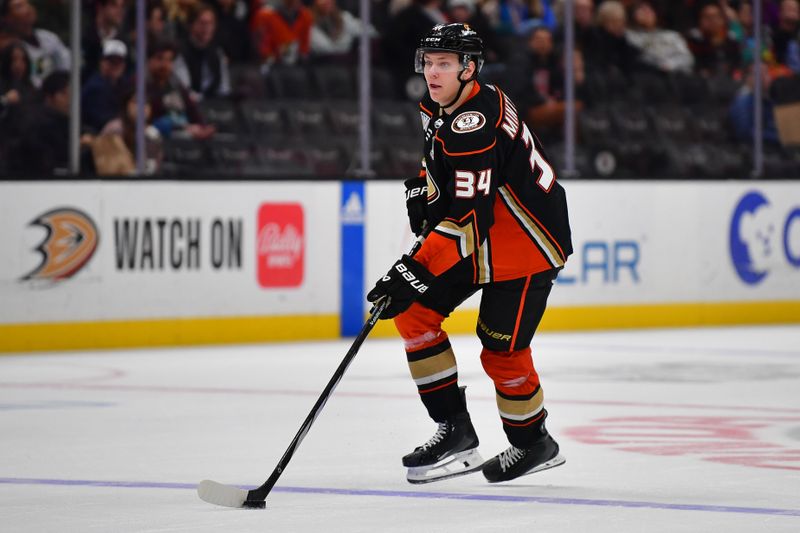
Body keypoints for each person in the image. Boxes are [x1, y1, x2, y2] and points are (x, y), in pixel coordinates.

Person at [366, 23, 572, 484]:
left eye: (444, 64)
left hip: (526, 243)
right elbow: (444, 166)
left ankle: (533, 442)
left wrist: (412, 270)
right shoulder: (443, 105)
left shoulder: (475, 123)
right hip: (483, 239)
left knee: (501, 350)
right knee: (414, 314)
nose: (432, 72)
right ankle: (455, 431)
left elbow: (469, 220)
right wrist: (424, 184)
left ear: (470, 68)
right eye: (429, 62)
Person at [1, 0, 70, 86]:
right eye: (19, 6)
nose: (28, 8)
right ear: (7, 18)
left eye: (28, 4)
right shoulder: (8, 50)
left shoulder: (48, 37)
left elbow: (67, 64)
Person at [173, 3, 231, 100]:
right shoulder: (180, 51)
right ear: (191, 24)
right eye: (202, 23)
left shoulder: (217, 52)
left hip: (214, 106)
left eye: (211, 23)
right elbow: (184, 89)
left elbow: (224, 88)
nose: (207, 28)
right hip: (190, 105)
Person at [81, 39, 131, 133]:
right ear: (102, 62)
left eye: (119, 62)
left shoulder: (125, 83)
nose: (115, 66)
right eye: (111, 61)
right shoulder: (95, 87)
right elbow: (101, 120)